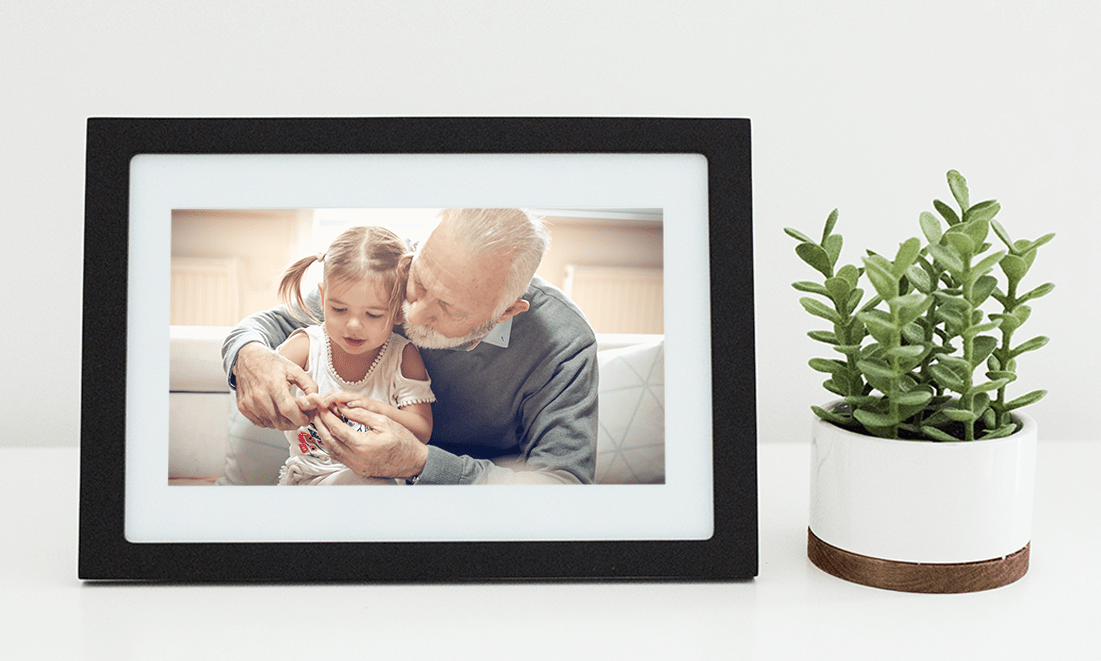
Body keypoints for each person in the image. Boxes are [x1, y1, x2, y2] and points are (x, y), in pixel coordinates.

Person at [222, 208, 598, 485]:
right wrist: (249, 355)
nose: (412, 314)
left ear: (506, 312)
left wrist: (420, 462)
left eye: (447, 308)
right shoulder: (395, 266)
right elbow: (268, 326)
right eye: (419, 281)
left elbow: (563, 487)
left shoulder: (564, 345)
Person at [273, 225, 435, 485]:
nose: (353, 325)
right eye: (339, 309)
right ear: (324, 297)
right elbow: (267, 396)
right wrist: (297, 409)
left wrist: (378, 410)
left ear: (397, 312)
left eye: (373, 314)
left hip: (379, 479)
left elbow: (422, 431)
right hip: (310, 478)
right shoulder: (306, 347)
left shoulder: (403, 356)